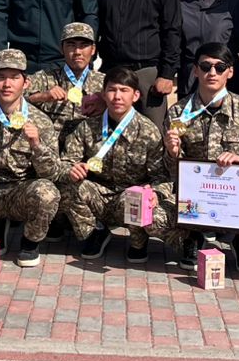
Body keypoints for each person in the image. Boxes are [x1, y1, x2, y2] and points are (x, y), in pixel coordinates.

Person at [164, 43, 239, 274]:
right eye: (205, 66)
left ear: (231, 71)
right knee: (155, 216)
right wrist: (172, 153)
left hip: (235, 200)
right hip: (194, 202)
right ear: (195, 70)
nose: (212, 73)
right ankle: (192, 237)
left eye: (220, 67)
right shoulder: (178, 113)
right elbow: (170, 171)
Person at [59, 67, 171, 264]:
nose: (117, 96)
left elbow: (162, 177)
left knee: (141, 201)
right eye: (112, 90)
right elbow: (67, 161)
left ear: (135, 96)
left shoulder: (148, 131)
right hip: (98, 195)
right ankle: (94, 234)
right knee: (66, 185)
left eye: (124, 90)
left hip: (129, 197)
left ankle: (138, 242)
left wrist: (154, 193)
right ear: (103, 94)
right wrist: (72, 169)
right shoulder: (87, 127)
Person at [0, 49, 61, 268]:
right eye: (1, 77)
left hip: (19, 194)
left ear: (26, 83)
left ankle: (29, 244)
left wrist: (37, 145)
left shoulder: (40, 121)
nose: (7, 84)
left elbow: (53, 174)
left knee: (47, 193)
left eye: (14, 77)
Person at [95, 0, 182, 131]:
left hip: (148, 75)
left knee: (153, 134)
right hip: (112, 72)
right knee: (109, 132)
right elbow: (95, 26)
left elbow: (172, 30)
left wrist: (167, 74)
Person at [26, 22, 106, 153]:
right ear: (61, 49)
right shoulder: (44, 78)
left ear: (93, 50)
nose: (77, 52)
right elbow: (14, 101)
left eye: (83, 45)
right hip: (51, 153)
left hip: (90, 154)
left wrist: (106, 102)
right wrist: (42, 96)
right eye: (71, 45)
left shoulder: (104, 83)